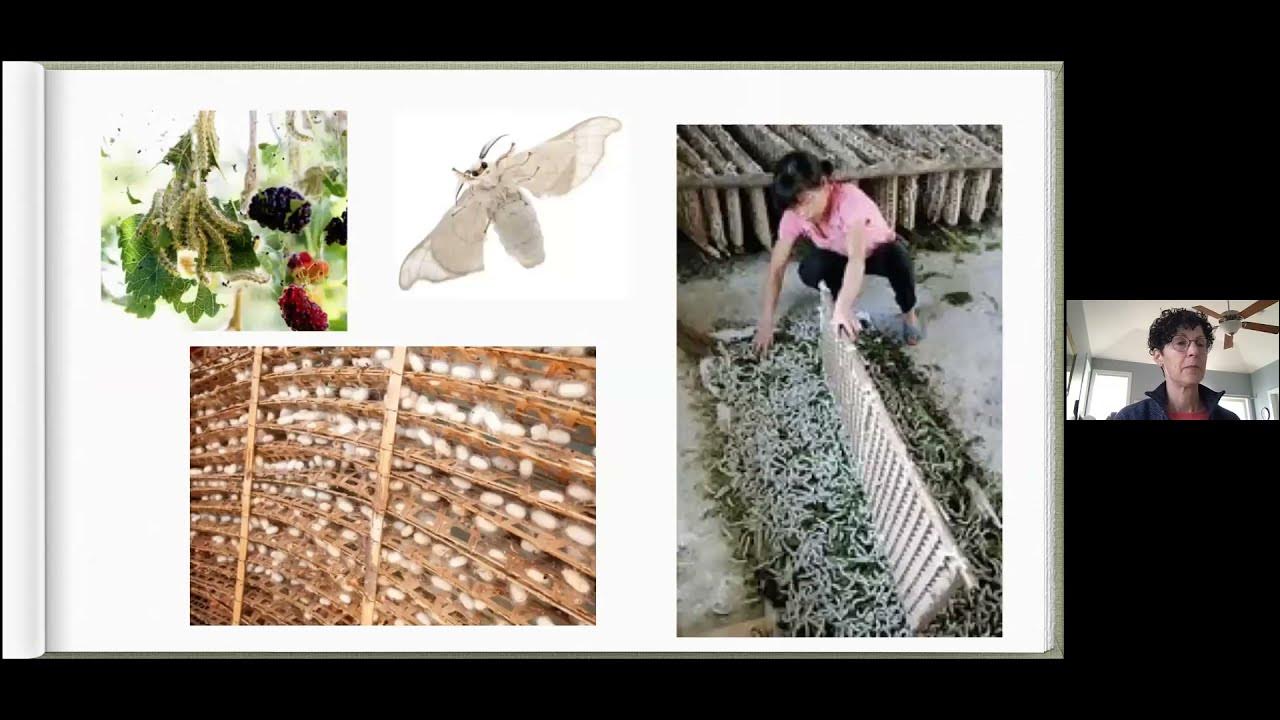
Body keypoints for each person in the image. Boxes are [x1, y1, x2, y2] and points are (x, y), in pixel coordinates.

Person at [752, 151, 920, 354]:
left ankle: (909, 315)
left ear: (824, 184)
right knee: (810, 269)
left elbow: (857, 260)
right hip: (838, 254)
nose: (802, 213)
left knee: (899, 260)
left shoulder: (850, 201)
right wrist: (766, 321)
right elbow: (776, 269)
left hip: (876, 252)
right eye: (794, 206)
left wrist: (843, 308)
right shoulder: (795, 215)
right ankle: (840, 298)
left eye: (806, 201)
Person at [1109, 308, 1240, 420]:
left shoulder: (1230, 418)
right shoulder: (1131, 416)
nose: (1194, 351)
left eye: (1200, 344)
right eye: (1181, 342)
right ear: (1158, 356)